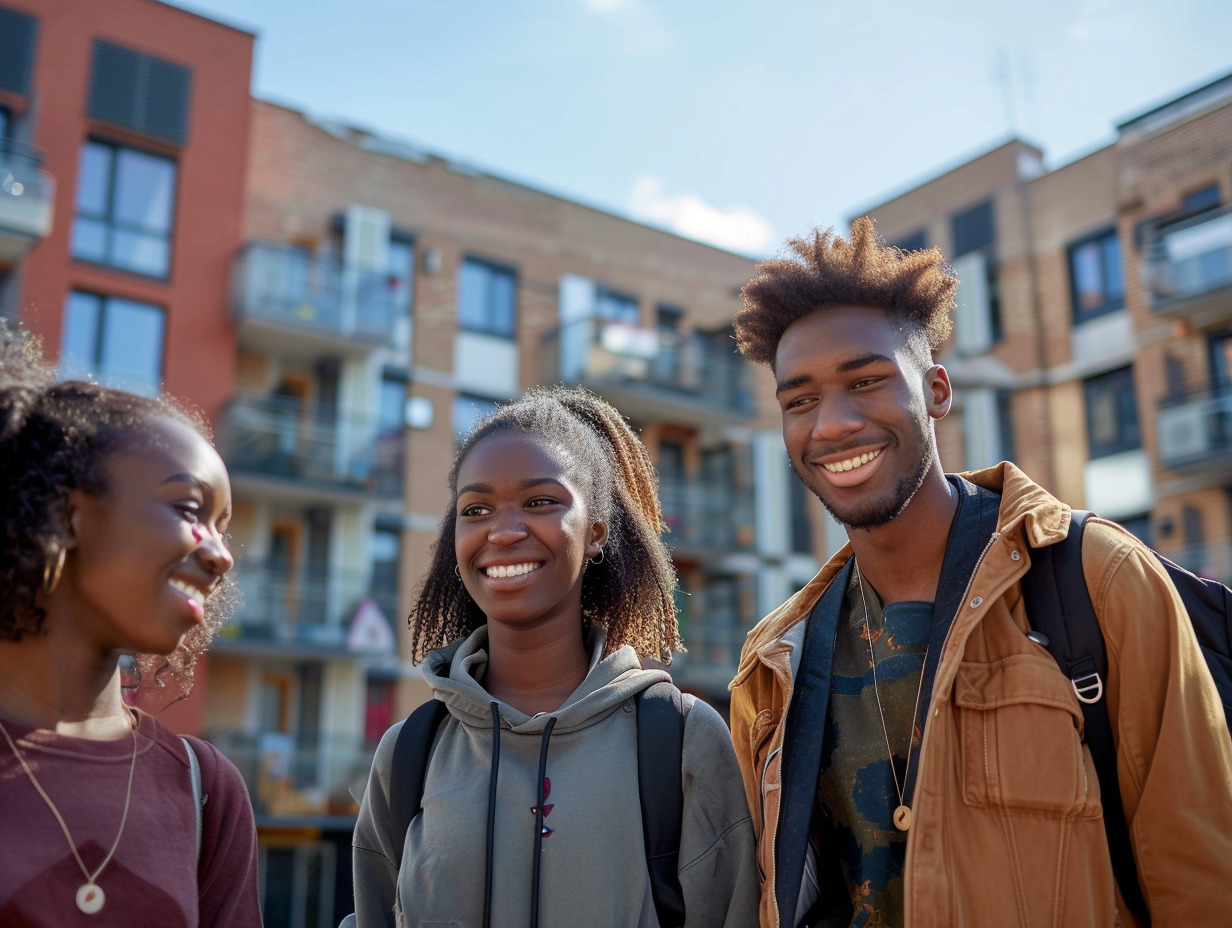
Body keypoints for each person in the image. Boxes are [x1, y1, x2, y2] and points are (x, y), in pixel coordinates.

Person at [727, 219, 1232, 928]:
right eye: (800, 400)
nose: (831, 424)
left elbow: (1202, 878)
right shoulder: (776, 657)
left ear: (937, 391)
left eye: (867, 381)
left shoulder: (1099, 578)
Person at [351, 386, 758, 928]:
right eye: (477, 509)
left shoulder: (680, 739)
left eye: (540, 501)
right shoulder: (409, 754)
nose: (504, 530)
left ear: (596, 533)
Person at [0, 323, 262, 926]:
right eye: (191, 511)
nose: (220, 555)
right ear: (67, 515)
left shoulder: (206, 792)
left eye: (225, 527)